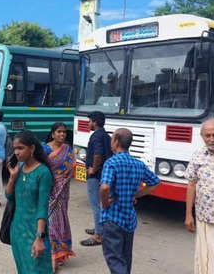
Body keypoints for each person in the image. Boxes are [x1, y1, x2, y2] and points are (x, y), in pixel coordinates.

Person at [99, 128, 160, 273]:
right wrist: (135, 195)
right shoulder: (138, 164)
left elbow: (104, 187)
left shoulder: (111, 163)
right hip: (129, 219)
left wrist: (105, 203)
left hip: (113, 217)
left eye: (112, 138)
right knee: (125, 258)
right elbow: (156, 182)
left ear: (117, 141)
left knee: (114, 259)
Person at [6, 130, 53, 274]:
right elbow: (9, 197)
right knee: (22, 269)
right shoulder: (19, 169)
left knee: (37, 269)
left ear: (32, 148)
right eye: (15, 149)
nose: (17, 152)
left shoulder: (43, 173)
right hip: (17, 230)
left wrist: (39, 238)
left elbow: (42, 208)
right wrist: (12, 178)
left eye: (21, 148)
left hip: (35, 232)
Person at [184, 119, 214, 274]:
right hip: (207, 218)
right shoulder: (198, 156)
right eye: (208, 136)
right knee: (208, 259)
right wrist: (188, 215)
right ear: (202, 136)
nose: (211, 139)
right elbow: (191, 185)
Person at [43, 123, 76, 271]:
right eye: (59, 132)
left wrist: (62, 178)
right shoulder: (45, 149)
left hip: (63, 192)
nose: (62, 134)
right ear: (53, 134)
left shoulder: (68, 149)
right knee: (51, 223)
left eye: (64, 132)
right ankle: (53, 255)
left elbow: (71, 167)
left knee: (61, 220)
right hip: (49, 191)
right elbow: (41, 168)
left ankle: (59, 252)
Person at [80, 111, 112, 247]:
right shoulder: (106, 135)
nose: (89, 124)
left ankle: (98, 236)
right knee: (101, 204)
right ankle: (99, 228)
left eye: (90, 121)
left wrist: (93, 168)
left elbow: (98, 154)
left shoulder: (96, 136)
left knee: (96, 205)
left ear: (95, 122)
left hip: (95, 176)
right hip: (104, 174)